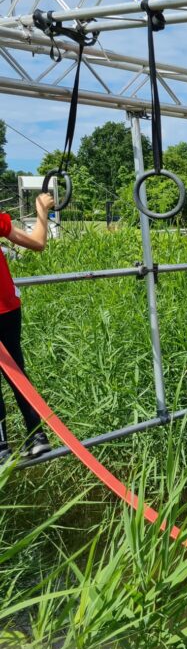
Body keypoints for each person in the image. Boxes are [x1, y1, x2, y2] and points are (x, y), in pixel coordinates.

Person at [0, 193, 56, 463]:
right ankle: (37, 436)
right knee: (17, 373)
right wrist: (41, 210)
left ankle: (1, 447)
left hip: (6, 307)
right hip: (7, 308)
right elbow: (37, 242)